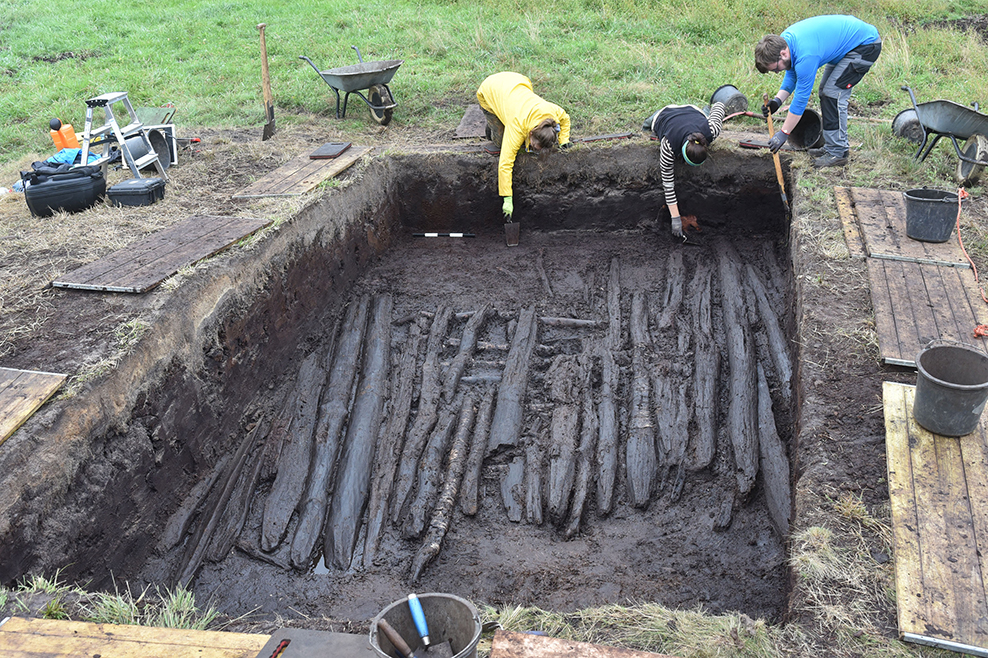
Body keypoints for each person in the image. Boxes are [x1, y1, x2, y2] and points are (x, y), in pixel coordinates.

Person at [755, 15, 882, 169]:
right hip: (848, 46)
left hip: (864, 46)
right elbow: (792, 74)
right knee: (826, 92)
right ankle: (832, 146)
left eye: (775, 68)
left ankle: (838, 152)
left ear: (783, 54)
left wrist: (784, 132)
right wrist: (777, 101)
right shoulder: (785, 43)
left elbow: (801, 100)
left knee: (833, 94)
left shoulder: (806, 55)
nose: (776, 72)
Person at [476, 72, 571, 220]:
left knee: (517, 142)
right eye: (535, 146)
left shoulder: (551, 113)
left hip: (518, 81)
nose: (536, 150)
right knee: (502, 142)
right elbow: (505, 164)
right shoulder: (517, 126)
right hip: (490, 89)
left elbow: (565, 118)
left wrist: (564, 140)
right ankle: (492, 128)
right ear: (531, 133)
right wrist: (507, 198)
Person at [643, 101, 725, 238]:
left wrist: (715, 104)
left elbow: (719, 105)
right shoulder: (668, 145)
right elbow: (668, 185)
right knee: (647, 125)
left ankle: (705, 111)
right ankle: (650, 119)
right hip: (665, 114)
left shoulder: (711, 130)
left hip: (693, 111)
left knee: (705, 115)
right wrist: (675, 218)